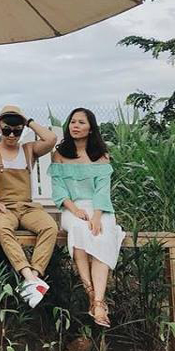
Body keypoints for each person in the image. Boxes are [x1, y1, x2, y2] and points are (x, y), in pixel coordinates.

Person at [0, 105, 57, 308]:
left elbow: (51, 139)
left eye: (17, 131)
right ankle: (28, 276)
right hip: (3, 207)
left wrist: (28, 121)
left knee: (50, 227)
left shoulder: (29, 150)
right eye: (6, 130)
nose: (11, 135)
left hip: (27, 207)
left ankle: (33, 277)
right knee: (2, 228)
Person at [49, 108, 124, 327]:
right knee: (79, 230)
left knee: (101, 234)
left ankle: (98, 302)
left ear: (91, 128)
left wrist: (97, 215)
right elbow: (59, 189)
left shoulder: (101, 156)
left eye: (81, 122)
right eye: (73, 121)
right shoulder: (60, 155)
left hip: (100, 207)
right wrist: (74, 209)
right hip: (72, 207)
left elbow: (102, 190)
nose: (76, 126)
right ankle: (90, 293)